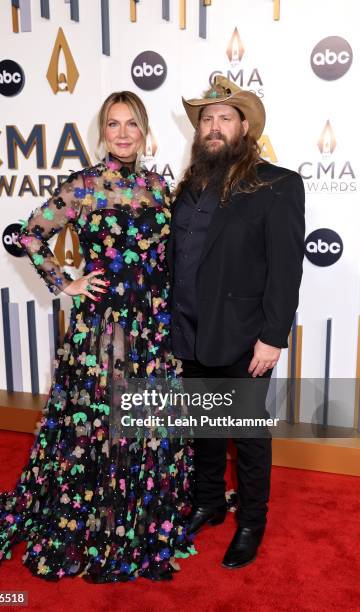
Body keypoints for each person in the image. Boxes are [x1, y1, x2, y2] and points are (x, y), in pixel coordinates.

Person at [0, 91, 197, 583]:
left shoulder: (161, 187)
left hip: (153, 324)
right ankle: (99, 520)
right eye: (113, 124)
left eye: (131, 124)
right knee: (104, 418)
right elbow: (29, 235)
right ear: (102, 132)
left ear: (144, 130)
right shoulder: (86, 186)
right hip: (105, 324)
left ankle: (140, 519)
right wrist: (64, 281)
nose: (122, 133)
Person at [168, 76, 305, 568]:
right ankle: (208, 501)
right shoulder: (188, 186)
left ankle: (251, 520)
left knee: (247, 434)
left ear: (245, 127)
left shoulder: (278, 184)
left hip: (246, 336)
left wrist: (272, 337)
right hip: (187, 331)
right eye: (206, 118)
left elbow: (287, 269)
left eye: (225, 117)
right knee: (203, 428)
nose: (213, 126)